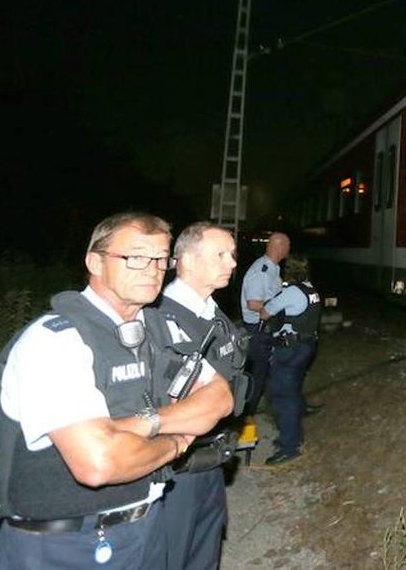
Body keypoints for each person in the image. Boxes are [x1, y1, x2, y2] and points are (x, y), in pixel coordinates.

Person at [0, 212, 233, 569]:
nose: (151, 269)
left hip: (145, 530)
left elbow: (219, 397)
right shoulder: (55, 342)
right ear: (95, 262)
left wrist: (142, 424)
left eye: (161, 259)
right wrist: (175, 442)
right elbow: (100, 463)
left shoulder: (161, 331)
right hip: (59, 547)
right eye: (135, 257)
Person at [154, 222, 249, 570]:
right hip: (175, 467)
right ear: (188, 261)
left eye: (232, 255)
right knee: (172, 554)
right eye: (220, 255)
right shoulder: (160, 318)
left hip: (211, 460)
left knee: (205, 551)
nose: (232, 263)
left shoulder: (213, 314)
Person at [260, 255, 323, 466]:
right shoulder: (310, 289)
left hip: (290, 349)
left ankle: (290, 447)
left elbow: (265, 313)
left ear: (289, 271)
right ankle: (293, 434)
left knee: (282, 397)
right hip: (307, 346)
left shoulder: (292, 292)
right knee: (293, 389)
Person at [238, 232, 289, 417]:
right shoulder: (262, 271)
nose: (288, 250)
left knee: (266, 372)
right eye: (287, 246)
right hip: (257, 331)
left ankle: (260, 408)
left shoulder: (273, 269)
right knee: (257, 376)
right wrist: (280, 308)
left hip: (267, 329)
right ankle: (246, 416)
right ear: (280, 247)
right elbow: (253, 303)